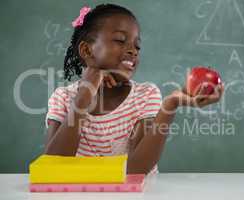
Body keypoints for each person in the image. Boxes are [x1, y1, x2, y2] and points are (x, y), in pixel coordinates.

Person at [44, 4, 224, 174]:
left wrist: (171, 104)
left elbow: (136, 171)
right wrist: (84, 93)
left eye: (137, 46)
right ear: (87, 50)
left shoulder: (145, 96)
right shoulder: (63, 98)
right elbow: (54, 167)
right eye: (120, 40)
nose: (133, 50)